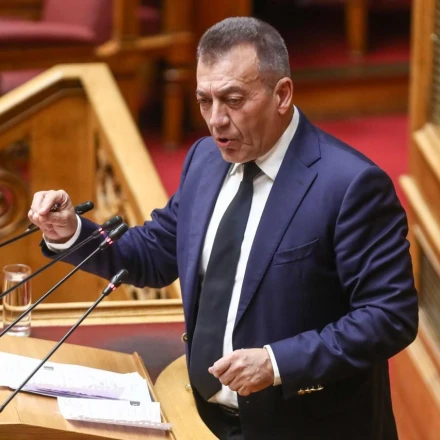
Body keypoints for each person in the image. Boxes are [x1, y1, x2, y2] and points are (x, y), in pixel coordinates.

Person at [28, 17, 418, 440]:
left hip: (304, 426)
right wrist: (71, 231)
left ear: (282, 94)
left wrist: (277, 363)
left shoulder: (350, 185)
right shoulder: (206, 160)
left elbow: (389, 315)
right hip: (199, 419)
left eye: (232, 100)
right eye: (204, 101)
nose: (215, 120)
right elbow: (154, 255)